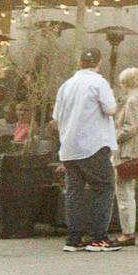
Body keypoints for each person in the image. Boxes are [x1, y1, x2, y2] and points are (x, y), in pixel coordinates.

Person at [53, 51, 121, 253]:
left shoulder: (66, 85)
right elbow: (110, 110)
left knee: (74, 192)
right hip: (93, 144)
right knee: (104, 187)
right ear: (99, 62)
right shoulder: (98, 83)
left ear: (80, 62)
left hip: (69, 147)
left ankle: (73, 239)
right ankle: (98, 238)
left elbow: (56, 116)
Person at [110, 67, 138, 246]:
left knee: (124, 191)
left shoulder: (132, 100)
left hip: (128, 150)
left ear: (125, 83)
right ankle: (129, 230)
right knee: (129, 191)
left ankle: (127, 232)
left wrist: (113, 138)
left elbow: (130, 127)